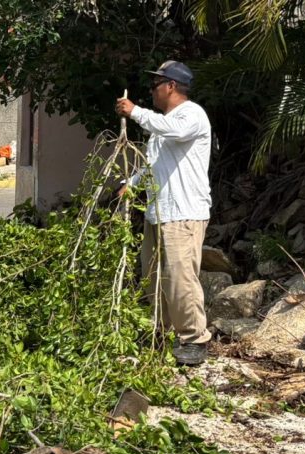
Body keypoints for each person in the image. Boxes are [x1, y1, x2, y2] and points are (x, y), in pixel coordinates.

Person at [115, 60, 213, 366]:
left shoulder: (191, 115)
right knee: (153, 276)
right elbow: (154, 167)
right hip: (159, 213)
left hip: (184, 214)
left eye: (156, 85)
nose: (152, 91)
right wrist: (130, 185)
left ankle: (195, 339)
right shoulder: (161, 126)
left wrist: (135, 112)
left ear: (171, 86)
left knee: (181, 279)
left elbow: (174, 130)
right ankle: (160, 332)